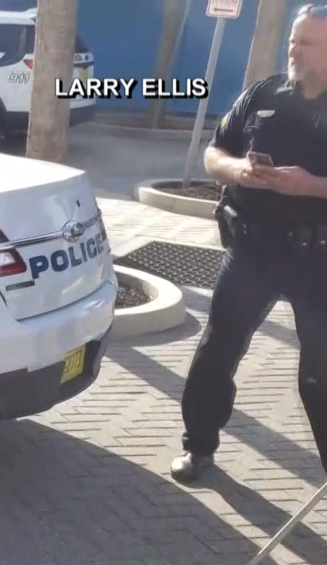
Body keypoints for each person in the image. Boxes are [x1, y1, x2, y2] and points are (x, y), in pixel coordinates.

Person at [171, 3, 327, 485]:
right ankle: (198, 447)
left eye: (307, 43)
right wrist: (238, 170)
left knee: (320, 373)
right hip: (252, 252)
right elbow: (214, 152)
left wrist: (310, 186)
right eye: (293, 41)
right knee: (217, 351)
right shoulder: (263, 93)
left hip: (318, 258)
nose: (294, 50)